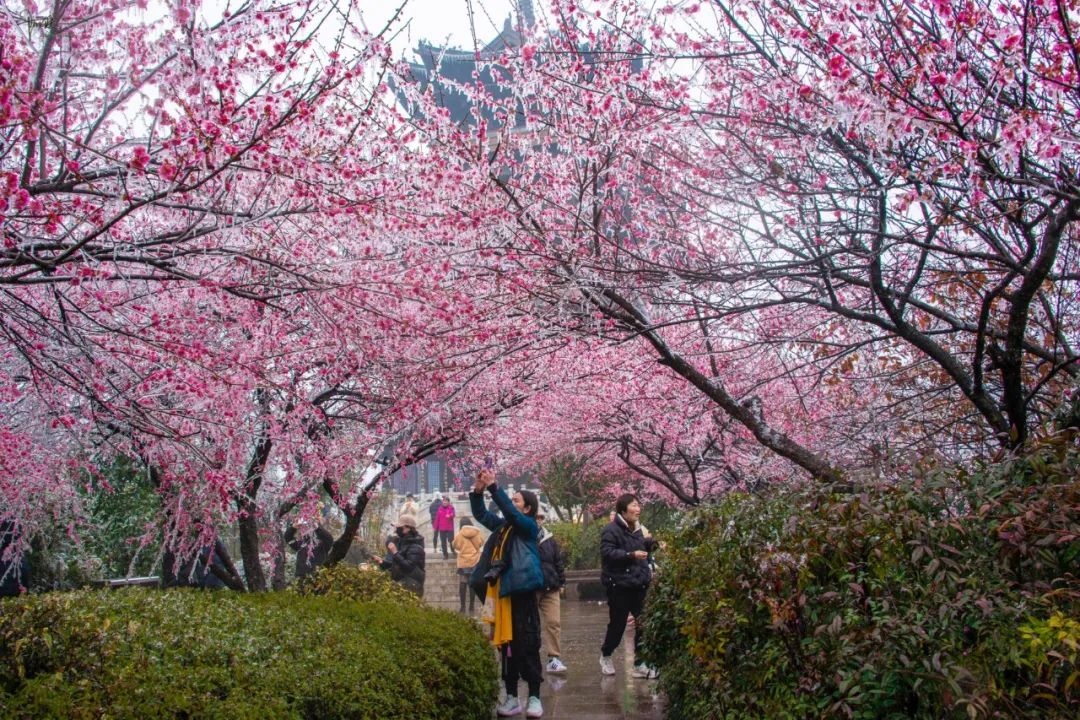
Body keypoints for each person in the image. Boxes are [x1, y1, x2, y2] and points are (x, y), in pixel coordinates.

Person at [470, 468, 546, 718]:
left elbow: (511, 514)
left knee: (528, 644)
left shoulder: (527, 526)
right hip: (503, 594)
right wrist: (478, 491)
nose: (511, 504)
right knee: (507, 647)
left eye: (516, 501)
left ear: (527, 509)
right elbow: (481, 514)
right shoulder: (504, 527)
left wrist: (495, 488)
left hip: (522, 592)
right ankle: (512, 695)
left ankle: (534, 695)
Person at [599, 494, 658, 679]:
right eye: (634, 505)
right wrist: (630, 554)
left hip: (639, 584)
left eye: (639, 505)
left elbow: (642, 550)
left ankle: (640, 663)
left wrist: (650, 544)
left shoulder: (639, 529)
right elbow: (607, 553)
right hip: (619, 585)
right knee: (617, 626)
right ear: (623, 510)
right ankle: (606, 655)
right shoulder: (611, 530)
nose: (638, 509)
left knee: (643, 626)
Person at [536, 511, 568, 674]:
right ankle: (529, 658)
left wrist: (561, 581)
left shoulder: (549, 538)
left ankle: (554, 657)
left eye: (541, 517)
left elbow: (558, 561)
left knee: (553, 623)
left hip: (551, 586)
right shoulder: (523, 536)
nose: (539, 520)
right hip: (531, 587)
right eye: (536, 517)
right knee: (530, 626)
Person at [373, 514, 426, 596]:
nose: (397, 529)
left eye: (400, 527)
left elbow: (408, 566)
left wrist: (395, 552)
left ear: (408, 528)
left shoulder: (416, 546)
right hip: (402, 583)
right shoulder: (403, 542)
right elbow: (398, 564)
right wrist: (383, 562)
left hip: (411, 586)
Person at [452, 517, 484, 614]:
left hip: (463, 561)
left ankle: (462, 607)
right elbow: (481, 543)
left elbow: (455, 545)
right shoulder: (477, 533)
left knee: (463, 583)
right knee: (472, 584)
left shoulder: (460, 534)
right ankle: (471, 606)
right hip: (474, 560)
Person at [434, 495, 457, 560]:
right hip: (442, 528)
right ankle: (445, 555)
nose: (444, 502)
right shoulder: (440, 508)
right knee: (443, 542)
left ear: (448, 502)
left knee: (451, 541)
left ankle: (453, 551)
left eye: (446, 501)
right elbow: (437, 518)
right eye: (443, 501)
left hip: (450, 528)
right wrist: (435, 527)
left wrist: (449, 515)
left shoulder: (451, 508)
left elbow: (453, 514)